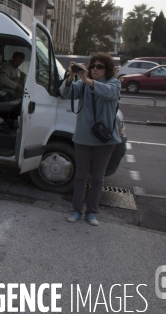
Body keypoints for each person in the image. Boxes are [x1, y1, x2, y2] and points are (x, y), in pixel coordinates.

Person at [60, 53, 121, 226]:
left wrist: (87, 80)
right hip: (83, 138)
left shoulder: (114, 83)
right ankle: (76, 210)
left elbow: (109, 94)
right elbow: (65, 94)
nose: (95, 68)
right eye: (93, 65)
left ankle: (91, 212)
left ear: (107, 69)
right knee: (80, 175)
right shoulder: (82, 83)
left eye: (99, 66)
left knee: (98, 178)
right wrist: (71, 77)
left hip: (105, 140)